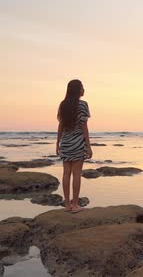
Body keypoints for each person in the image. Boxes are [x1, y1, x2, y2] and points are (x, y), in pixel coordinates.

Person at [56, 79, 92, 213]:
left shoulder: (63, 105)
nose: (84, 89)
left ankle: (67, 205)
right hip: (78, 143)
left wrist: (58, 143)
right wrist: (88, 146)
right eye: (82, 87)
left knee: (66, 173)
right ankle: (75, 205)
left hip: (65, 142)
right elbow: (84, 127)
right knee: (77, 173)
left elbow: (60, 125)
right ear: (77, 90)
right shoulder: (83, 105)